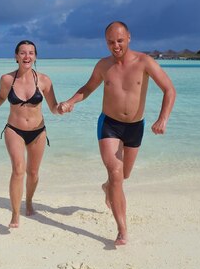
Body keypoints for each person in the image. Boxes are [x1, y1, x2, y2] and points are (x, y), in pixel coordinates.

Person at [58, 21, 176, 246]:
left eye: (120, 40)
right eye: (111, 42)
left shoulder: (145, 62)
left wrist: (163, 119)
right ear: (106, 42)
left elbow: (169, 90)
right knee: (115, 172)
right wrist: (71, 101)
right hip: (109, 124)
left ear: (129, 38)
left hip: (135, 126)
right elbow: (88, 88)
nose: (116, 45)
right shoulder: (103, 65)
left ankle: (107, 188)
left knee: (124, 176)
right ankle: (122, 230)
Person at [0, 40, 61, 228]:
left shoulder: (44, 80)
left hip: (38, 132)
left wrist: (62, 108)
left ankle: (29, 202)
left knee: (33, 173)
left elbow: (53, 107)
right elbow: (1, 97)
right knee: (18, 170)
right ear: (16, 56)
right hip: (14, 130)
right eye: (22, 53)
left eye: (31, 53)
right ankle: (15, 214)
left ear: (36, 56)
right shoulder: (7, 79)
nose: (27, 56)